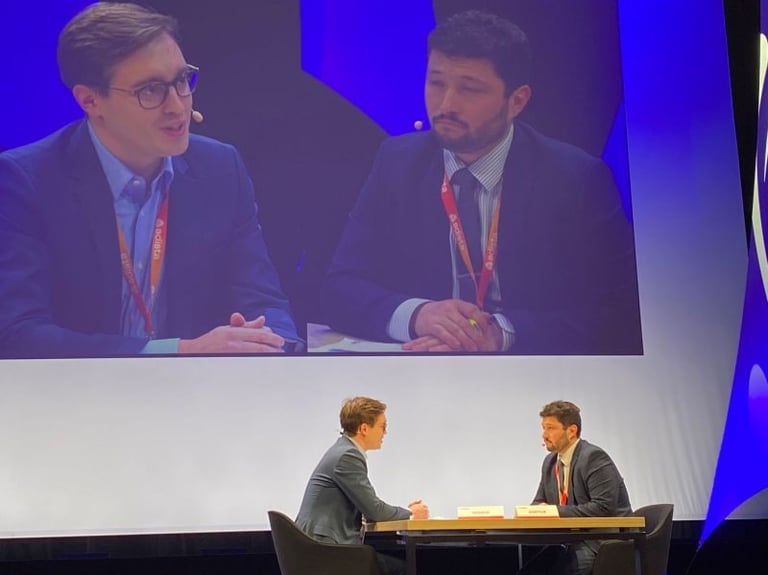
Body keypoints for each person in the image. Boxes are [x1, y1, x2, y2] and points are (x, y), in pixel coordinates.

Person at [321, 10, 642, 355]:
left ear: (517, 101)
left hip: (532, 375)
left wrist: (501, 333)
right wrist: (419, 314)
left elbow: (619, 315)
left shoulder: (575, 179)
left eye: (469, 89)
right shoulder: (397, 162)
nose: (446, 105)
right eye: (436, 83)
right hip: (424, 367)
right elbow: (339, 288)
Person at [0, 2, 301, 358]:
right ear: (90, 100)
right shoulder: (27, 181)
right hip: (78, 396)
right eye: (150, 91)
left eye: (181, 81)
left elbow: (265, 302)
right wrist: (177, 352)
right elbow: (19, 334)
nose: (177, 106)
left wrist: (265, 341)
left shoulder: (220, 169)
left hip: (199, 394)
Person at [296, 396, 429, 575]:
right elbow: (374, 510)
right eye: (383, 426)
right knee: (406, 569)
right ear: (364, 428)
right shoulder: (347, 456)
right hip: (327, 551)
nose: (385, 433)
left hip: (318, 549)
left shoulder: (342, 450)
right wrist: (412, 514)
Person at [524, 400, 632, 575]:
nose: (544, 435)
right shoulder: (550, 462)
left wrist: (553, 511)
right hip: (570, 540)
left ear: (571, 431)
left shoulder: (593, 457)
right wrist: (530, 513)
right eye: (543, 428)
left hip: (600, 541)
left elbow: (603, 507)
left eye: (550, 428)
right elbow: (539, 503)